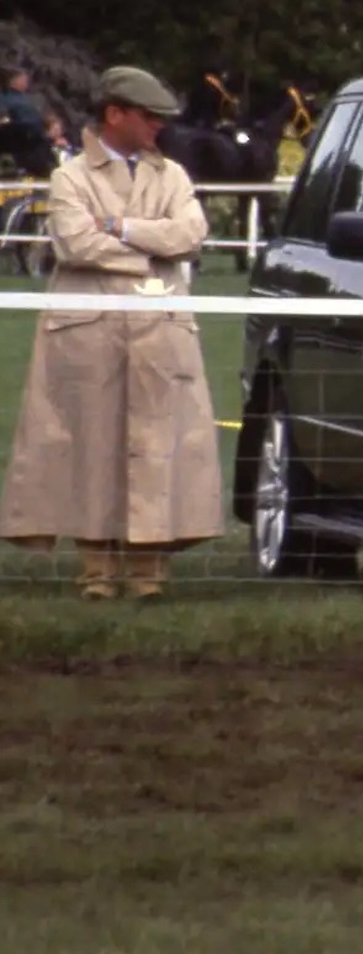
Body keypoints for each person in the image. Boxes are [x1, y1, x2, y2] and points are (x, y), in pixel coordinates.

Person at [0, 66, 225, 600]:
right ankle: (96, 570)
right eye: (149, 117)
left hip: (159, 327)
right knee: (90, 443)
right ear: (114, 114)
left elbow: (191, 234)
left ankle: (149, 570)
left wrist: (121, 228)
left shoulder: (171, 174)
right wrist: (155, 248)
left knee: (158, 441)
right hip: (88, 328)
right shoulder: (71, 176)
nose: (157, 128)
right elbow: (77, 244)